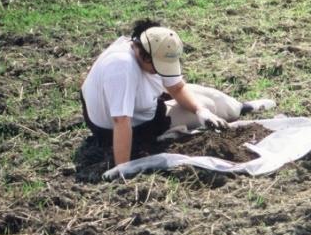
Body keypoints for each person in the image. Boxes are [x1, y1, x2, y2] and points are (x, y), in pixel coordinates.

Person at [80, 20, 275, 165]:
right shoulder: (122, 67)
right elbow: (121, 121)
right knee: (214, 106)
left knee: (212, 103)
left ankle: (240, 107)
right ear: (143, 54)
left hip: (146, 105)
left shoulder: (152, 49)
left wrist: (200, 111)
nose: (160, 71)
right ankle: (165, 134)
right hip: (135, 126)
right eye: (157, 67)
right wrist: (122, 167)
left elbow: (177, 87)